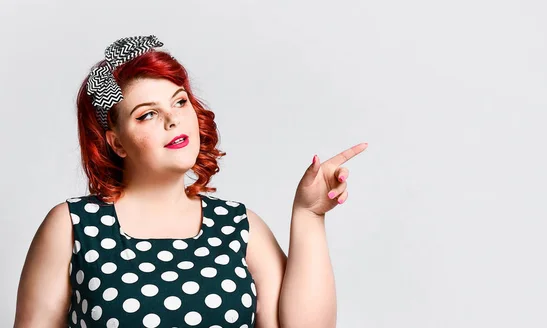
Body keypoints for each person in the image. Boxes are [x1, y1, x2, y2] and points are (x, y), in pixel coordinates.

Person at [13, 35, 367, 328]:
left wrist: (310, 214)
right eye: (147, 114)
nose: (173, 120)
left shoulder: (239, 227)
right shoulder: (72, 226)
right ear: (117, 143)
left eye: (179, 102)